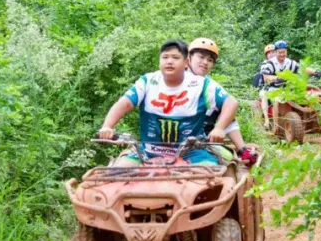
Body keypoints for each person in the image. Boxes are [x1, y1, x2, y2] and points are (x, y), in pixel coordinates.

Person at [98, 39, 238, 165]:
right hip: (147, 152)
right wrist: (107, 126)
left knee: (210, 180)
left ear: (186, 62)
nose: (169, 61)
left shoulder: (203, 84)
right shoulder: (147, 81)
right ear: (159, 61)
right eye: (165, 57)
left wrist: (219, 128)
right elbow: (125, 103)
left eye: (175, 57)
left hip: (192, 152)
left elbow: (231, 103)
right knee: (116, 174)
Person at [186, 37, 258, 167]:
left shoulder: (210, 86)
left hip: (200, 143)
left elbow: (231, 106)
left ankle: (241, 151)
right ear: (188, 58)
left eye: (210, 60)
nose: (205, 62)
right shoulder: (172, 79)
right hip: (167, 143)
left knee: (229, 160)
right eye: (201, 57)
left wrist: (219, 129)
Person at [259, 40, 321, 129]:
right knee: (274, 99)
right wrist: (277, 78)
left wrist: (315, 72)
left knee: (304, 95)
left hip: (288, 88)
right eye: (280, 52)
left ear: (287, 52)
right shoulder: (270, 63)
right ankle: (271, 124)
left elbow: (302, 68)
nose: (282, 54)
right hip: (273, 88)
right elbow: (266, 76)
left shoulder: (290, 62)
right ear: (276, 52)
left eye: (284, 52)